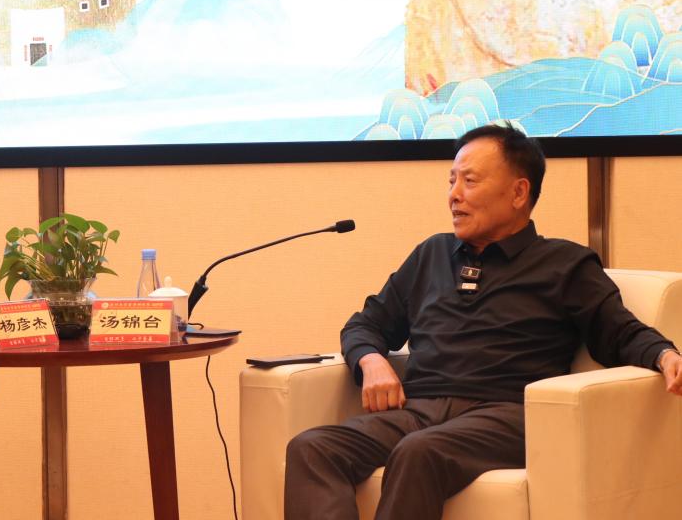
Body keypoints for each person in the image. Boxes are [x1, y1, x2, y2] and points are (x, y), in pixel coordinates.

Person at [284, 122, 682, 520]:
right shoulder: (431, 255)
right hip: (418, 410)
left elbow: (619, 332)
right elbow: (364, 324)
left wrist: (664, 355)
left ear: (519, 192)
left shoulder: (565, 264)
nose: (454, 195)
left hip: (505, 415)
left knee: (420, 451)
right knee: (312, 447)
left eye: (469, 181)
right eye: (452, 181)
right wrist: (370, 360)